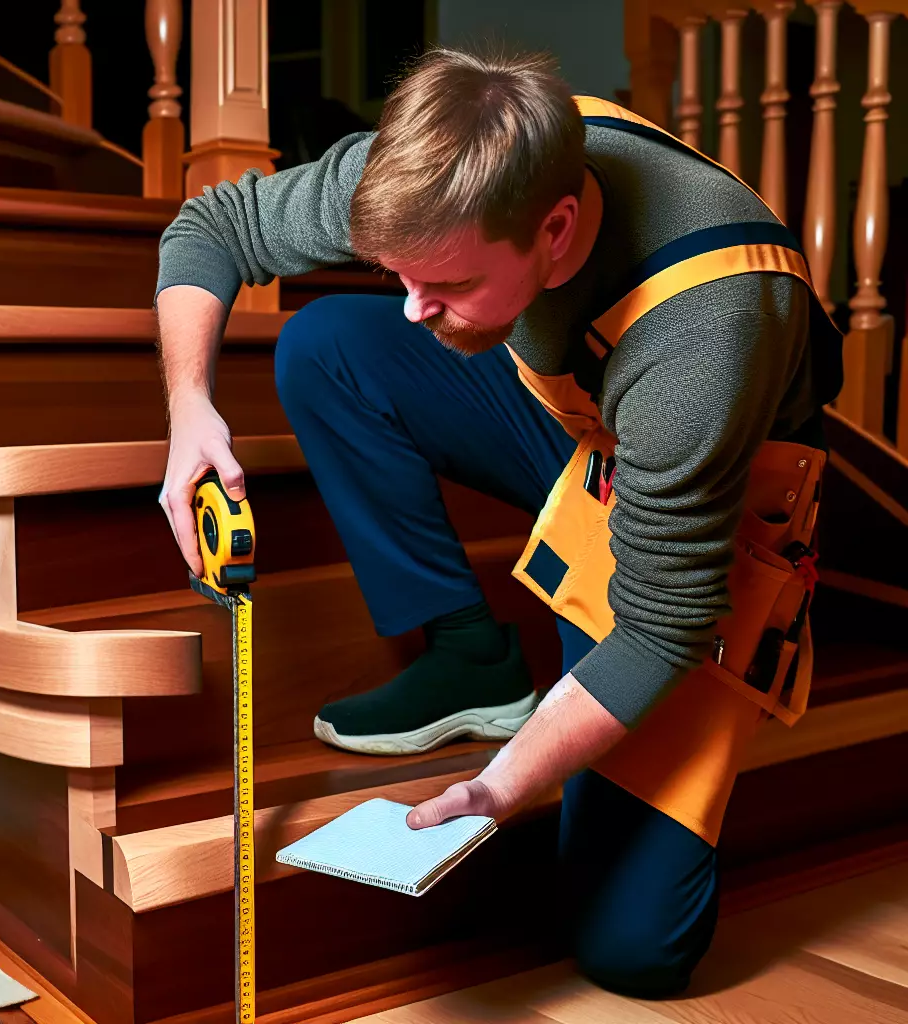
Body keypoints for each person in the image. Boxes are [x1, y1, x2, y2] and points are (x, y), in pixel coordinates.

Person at [154, 48, 838, 997]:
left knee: (632, 952)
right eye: (402, 274)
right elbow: (211, 226)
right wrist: (189, 409)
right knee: (329, 344)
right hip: (580, 423)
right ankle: (471, 656)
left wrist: (497, 786)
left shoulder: (705, 336)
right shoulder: (454, 163)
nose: (414, 307)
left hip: (698, 510)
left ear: (555, 230)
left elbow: (659, 625)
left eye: (449, 285)